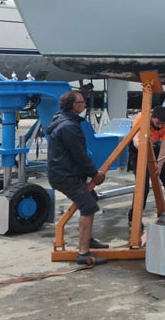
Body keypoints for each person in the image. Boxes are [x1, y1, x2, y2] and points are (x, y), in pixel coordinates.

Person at [46, 91, 108, 265]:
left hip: (64, 173)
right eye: (82, 102)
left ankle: (87, 239)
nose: (85, 104)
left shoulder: (63, 120)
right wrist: (94, 174)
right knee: (88, 207)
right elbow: (80, 155)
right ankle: (83, 251)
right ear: (74, 106)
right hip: (65, 176)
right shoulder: (69, 127)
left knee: (91, 198)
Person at [128, 105, 165, 224]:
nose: (160, 126)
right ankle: (134, 217)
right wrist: (143, 146)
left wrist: (160, 166)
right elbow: (136, 139)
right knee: (143, 187)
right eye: (158, 123)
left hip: (153, 148)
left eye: (163, 123)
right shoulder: (141, 118)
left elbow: (164, 148)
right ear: (152, 117)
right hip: (138, 149)